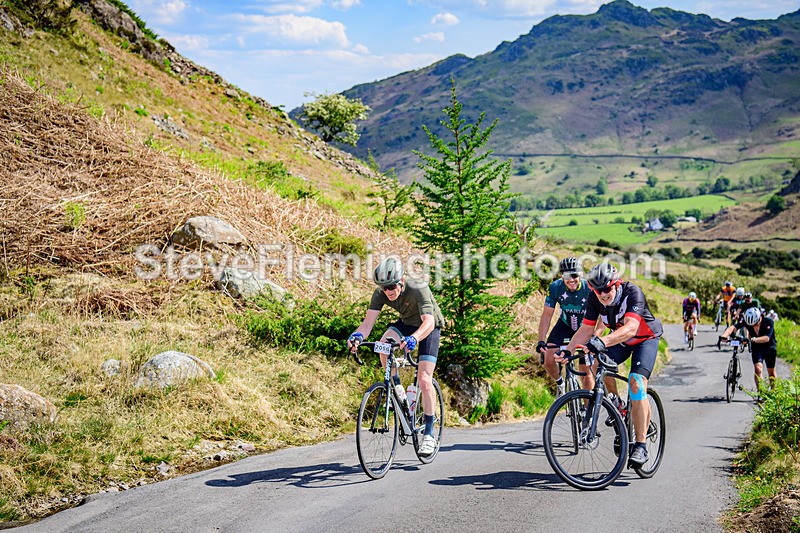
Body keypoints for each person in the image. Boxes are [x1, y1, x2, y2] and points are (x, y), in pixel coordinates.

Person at [557, 262, 664, 466]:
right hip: (621, 340)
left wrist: (602, 341)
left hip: (645, 339)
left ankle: (640, 446)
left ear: (616, 283)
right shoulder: (594, 298)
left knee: (636, 382)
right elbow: (586, 329)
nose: (603, 294)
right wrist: (567, 350)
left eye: (606, 289)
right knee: (597, 363)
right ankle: (616, 402)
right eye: (597, 291)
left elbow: (632, 328)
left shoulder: (633, 293)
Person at [347, 257, 445, 456]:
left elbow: (428, 321)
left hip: (428, 328)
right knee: (383, 345)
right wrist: (357, 336)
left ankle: (429, 434)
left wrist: (414, 339)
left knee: (424, 379)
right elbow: (367, 325)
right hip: (406, 324)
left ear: (401, 281)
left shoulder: (418, 288)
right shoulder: (380, 293)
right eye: (384, 288)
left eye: (391, 286)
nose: (388, 291)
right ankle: (397, 388)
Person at [535, 257, 594, 397]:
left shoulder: (589, 289)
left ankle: (588, 412)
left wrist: (596, 336)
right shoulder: (556, 287)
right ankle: (560, 383)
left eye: (574, 275)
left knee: (586, 373)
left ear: (580, 275)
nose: (571, 280)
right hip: (565, 324)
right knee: (548, 358)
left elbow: (599, 316)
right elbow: (547, 315)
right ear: (562, 276)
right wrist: (541, 340)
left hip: (584, 327)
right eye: (567, 276)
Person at [720, 307, 777, 392]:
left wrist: (753, 339)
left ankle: (774, 391)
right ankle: (761, 392)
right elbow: (733, 327)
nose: (753, 326)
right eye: (751, 325)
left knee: (771, 371)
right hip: (757, 348)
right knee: (758, 369)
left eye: (755, 324)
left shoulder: (768, 322)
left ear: (759, 318)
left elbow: (767, 338)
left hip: (769, 347)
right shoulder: (747, 321)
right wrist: (724, 336)